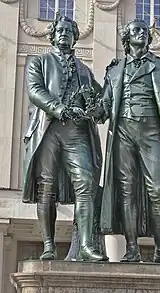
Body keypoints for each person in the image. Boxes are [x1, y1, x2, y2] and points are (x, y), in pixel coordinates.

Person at [100, 19, 160, 264]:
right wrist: (86, 109)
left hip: (153, 132)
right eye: (136, 30)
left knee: (158, 190)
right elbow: (103, 106)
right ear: (126, 38)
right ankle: (132, 249)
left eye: (145, 31)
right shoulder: (114, 70)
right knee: (127, 192)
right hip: (123, 132)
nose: (142, 33)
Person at [22, 13, 106, 262]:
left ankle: (86, 246)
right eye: (60, 31)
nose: (64, 35)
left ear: (75, 37)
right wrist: (60, 108)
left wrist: (99, 109)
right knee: (46, 188)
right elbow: (36, 91)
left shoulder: (85, 71)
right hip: (48, 129)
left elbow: (100, 99)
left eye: (69, 32)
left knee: (86, 184)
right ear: (52, 35)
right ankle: (48, 245)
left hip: (77, 133)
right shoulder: (40, 62)